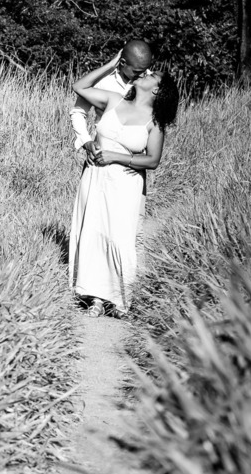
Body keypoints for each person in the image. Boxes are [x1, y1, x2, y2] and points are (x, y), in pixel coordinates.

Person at [68, 48, 179, 317]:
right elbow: (79, 86)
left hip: (126, 184)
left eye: (153, 75)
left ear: (157, 91)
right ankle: (93, 296)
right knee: (93, 231)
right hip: (96, 176)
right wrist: (111, 64)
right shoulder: (114, 99)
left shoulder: (155, 123)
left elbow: (152, 160)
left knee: (119, 238)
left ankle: (119, 300)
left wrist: (116, 157)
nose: (147, 73)